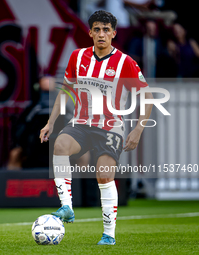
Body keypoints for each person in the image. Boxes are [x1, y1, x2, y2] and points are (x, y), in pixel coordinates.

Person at [39, 10, 153, 245]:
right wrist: (50, 122)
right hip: (81, 124)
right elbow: (65, 91)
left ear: (114, 33)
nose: (102, 34)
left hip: (111, 128)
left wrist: (138, 129)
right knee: (59, 144)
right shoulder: (77, 57)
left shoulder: (125, 62)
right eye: (97, 29)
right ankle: (67, 207)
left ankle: (108, 234)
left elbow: (147, 97)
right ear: (90, 32)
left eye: (106, 30)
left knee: (103, 175)